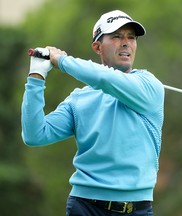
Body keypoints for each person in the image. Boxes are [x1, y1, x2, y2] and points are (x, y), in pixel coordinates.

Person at [21, 10, 164, 216]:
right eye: (116, 36)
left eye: (131, 37)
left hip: (137, 209)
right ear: (97, 47)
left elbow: (105, 79)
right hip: (85, 207)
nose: (126, 43)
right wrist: (36, 77)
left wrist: (62, 60)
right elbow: (35, 135)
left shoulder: (149, 86)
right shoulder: (78, 100)